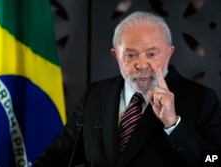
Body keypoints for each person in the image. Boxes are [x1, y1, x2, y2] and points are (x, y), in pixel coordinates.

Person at [33, 11, 221, 167]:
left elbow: (212, 160)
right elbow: (58, 155)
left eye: (151, 54)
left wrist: (173, 124)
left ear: (169, 53)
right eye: (131, 55)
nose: (142, 64)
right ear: (116, 55)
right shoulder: (97, 94)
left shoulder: (201, 99)